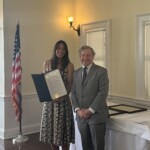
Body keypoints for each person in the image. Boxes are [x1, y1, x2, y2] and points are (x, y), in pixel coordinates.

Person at [71, 45, 109, 150]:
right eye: (83, 55)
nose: (85, 58)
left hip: (96, 116)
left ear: (93, 56)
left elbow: (103, 93)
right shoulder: (76, 73)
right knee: (85, 146)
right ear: (80, 57)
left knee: (98, 147)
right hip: (81, 117)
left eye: (88, 55)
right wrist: (78, 110)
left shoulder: (101, 71)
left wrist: (90, 110)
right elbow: (73, 93)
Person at [40, 40, 75, 150]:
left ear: (66, 51)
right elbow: (45, 83)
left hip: (63, 103)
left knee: (63, 133)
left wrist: (62, 97)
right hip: (50, 103)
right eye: (58, 48)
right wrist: (42, 78)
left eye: (63, 49)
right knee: (51, 133)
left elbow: (69, 85)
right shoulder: (47, 63)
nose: (61, 51)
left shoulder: (69, 65)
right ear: (55, 49)